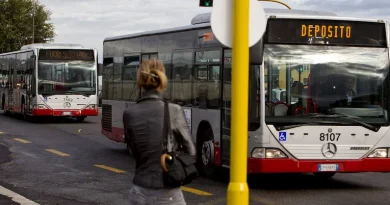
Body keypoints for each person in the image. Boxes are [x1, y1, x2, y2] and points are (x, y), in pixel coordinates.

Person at [123, 59, 196, 205]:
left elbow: (132, 151)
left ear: (140, 80)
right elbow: (192, 151)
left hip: (138, 192)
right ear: (163, 79)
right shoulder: (173, 110)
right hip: (168, 194)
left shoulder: (129, 113)